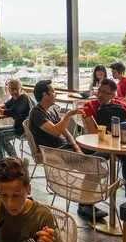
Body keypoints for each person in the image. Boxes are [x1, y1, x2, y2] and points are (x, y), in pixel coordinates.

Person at [29, 80, 106, 220]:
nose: (55, 93)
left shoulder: (50, 110)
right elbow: (56, 131)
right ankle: (85, 205)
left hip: (67, 148)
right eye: (53, 91)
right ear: (45, 95)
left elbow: (65, 132)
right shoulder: (36, 113)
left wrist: (77, 148)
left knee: (105, 153)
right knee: (97, 165)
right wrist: (69, 115)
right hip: (56, 154)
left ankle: (87, 199)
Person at [0, 157, 64, 242]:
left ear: (29, 189)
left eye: (16, 195)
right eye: (4, 195)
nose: (10, 203)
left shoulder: (43, 216)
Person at [0, 79, 35, 160]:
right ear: (8, 89)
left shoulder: (23, 97)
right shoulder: (15, 98)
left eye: (16, 89)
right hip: (18, 127)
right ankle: (2, 159)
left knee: (0, 135)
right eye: (11, 89)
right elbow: (7, 104)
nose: (13, 91)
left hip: (26, 130)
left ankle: (15, 160)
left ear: (21, 89)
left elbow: (14, 111)